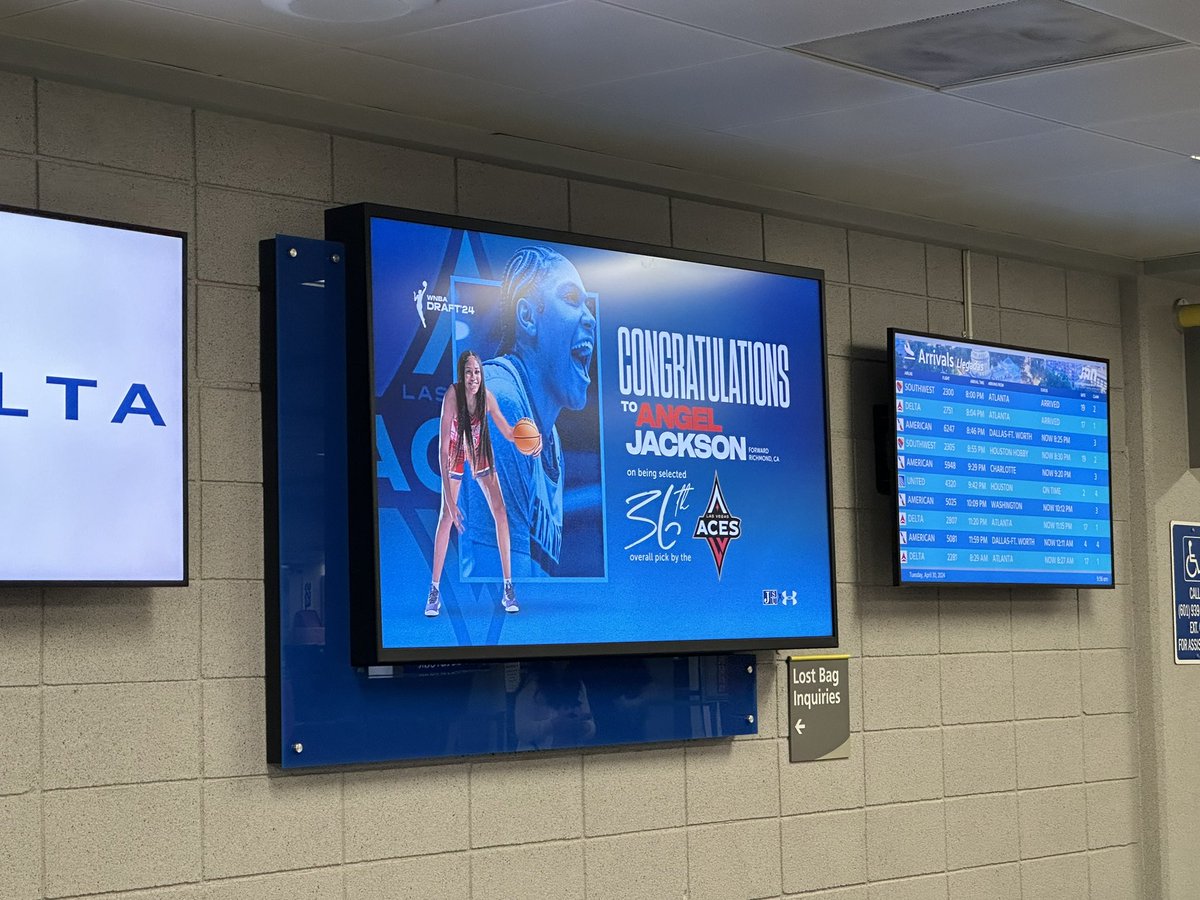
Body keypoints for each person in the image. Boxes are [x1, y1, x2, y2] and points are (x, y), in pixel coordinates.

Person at [462, 246, 597, 578]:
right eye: (570, 299)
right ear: (527, 318)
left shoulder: (549, 436)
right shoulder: (501, 404)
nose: (590, 317)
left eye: (588, 304)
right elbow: (502, 597)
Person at [426, 350, 539, 617]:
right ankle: (434, 591)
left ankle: (508, 588)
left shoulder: (487, 397)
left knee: (501, 512)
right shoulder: (452, 397)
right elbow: (443, 449)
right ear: (461, 375)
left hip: (477, 448)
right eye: (468, 372)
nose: (473, 377)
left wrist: (534, 441)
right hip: (455, 447)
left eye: (477, 372)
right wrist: (451, 503)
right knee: (445, 518)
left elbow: (511, 433)